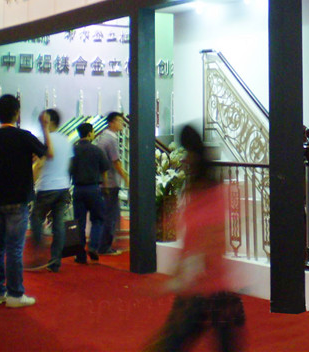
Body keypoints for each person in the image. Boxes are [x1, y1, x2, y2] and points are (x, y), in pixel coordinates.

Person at [150, 125, 245, 352]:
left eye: (186, 155)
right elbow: (192, 243)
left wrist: (178, 277)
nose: (183, 161)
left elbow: (209, 241)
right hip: (206, 290)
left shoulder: (208, 193)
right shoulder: (196, 192)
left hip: (209, 291)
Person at [0, 94, 52, 308]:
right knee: (14, 249)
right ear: (17, 113)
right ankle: (15, 294)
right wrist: (45, 128)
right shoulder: (23, 137)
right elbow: (48, 153)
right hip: (18, 200)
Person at [28, 109, 73, 272]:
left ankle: (38, 252)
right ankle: (55, 261)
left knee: (36, 219)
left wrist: (31, 183)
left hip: (47, 186)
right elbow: (69, 164)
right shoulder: (66, 140)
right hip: (63, 186)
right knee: (58, 224)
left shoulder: (43, 140)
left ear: (49, 121)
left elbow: (38, 164)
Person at [70, 122, 111, 264]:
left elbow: (68, 170)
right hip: (94, 189)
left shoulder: (73, 150)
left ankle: (80, 256)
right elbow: (104, 170)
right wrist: (105, 187)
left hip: (78, 189)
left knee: (79, 223)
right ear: (89, 134)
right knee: (98, 220)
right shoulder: (97, 150)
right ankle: (93, 246)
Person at [98, 111, 129, 255]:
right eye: (119, 121)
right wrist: (126, 178)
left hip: (104, 182)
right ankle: (105, 247)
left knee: (108, 215)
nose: (122, 124)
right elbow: (116, 162)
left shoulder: (103, 138)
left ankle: (102, 244)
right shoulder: (110, 140)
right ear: (111, 123)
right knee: (110, 216)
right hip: (110, 183)